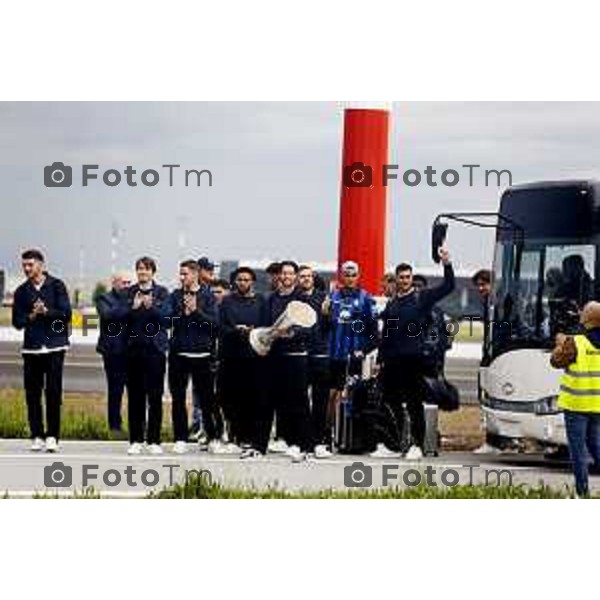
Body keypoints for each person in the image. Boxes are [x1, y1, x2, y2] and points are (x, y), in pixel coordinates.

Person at [378, 247, 455, 460]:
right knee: (388, 400)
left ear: (411, 278)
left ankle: (417, 445)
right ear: (395, 279)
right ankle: (396, 444)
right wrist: (379, 360)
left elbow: (449, 286)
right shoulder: (392, 303)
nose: (404, 280)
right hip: (392, 360)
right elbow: (386, 334)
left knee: (414, 403)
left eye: (407, 277)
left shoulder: (421, 298)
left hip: (413, 360)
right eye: (400, 277)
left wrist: (447, 263)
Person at [12, 249, 71, 452]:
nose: (27, 268)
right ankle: (37, 435)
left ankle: (53, 436)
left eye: (31, 264)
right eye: (24, 265)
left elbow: (66, 314)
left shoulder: (57, 286)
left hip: (55, 347)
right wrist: (32, 315)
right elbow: (17, 322)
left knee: (53, 392)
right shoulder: (21, 292)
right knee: (32, 394)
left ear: (41, 265)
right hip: (32, 349)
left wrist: (46, 312)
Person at [168, 260, 223, 454]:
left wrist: (196, 312)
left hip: (202, 355)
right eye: (180, 274)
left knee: (207, 400)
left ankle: (213, 437)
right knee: (178, 398)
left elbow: (214, 325)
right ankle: (180, 438)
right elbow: (166, 320)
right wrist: (182, 313)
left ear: (195, 274)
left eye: (185, 274)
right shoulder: (174, 296)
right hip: (178, 355)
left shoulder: (208, 296)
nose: (182, 277)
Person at [261, 260, 313, 462]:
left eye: (291, 273)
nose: (286, 277)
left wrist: (291, 333)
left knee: (298, 403)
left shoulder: (301, 299)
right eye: (283, 273)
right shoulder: (271, 299)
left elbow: (309, 327)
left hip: (295, 357)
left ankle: (302, 445)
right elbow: (265, 324)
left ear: (295, 277)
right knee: (267, 402)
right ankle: (259, 445)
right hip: (273, 356)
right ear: (279, 276)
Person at [550, 301, 600, 497]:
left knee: (578, 451)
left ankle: (582, 492)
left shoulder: (576, 342)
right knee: (596, 446)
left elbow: (555, 361)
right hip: (597, 405)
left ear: (586, 319)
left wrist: (561, 344)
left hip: (576, 406)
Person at [323, 261, 377, 434]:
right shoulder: (331, 297)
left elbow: (374, 334)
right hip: (333, 356)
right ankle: (327, 433)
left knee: (349, 396)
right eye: (347, 274)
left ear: (358, 276)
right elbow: (322, 328)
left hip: (354, 358)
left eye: (353, 275)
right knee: (330, 395)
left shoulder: (366, 299)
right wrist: (324, 315)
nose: (350, 278)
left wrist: (364, 350)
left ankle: (350, 435)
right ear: (341, 276)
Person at [219, 267, 268, 457]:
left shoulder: (260, 301)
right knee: (230, 399)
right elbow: (220, 326)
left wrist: (253, 330)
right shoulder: (226, 302)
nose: (243, 283)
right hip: (231, 356)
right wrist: (236, 330)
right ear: (234, 282)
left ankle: (250, 438)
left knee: (252, 399)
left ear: (252, 282)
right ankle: (235, 436)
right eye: (239, 279)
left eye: (247, 280)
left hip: (254, 356)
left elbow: (266, 325)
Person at [125, 257, 170, 455]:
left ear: (153, 272)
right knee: (135, 396)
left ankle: (154, 440)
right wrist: (132, 308)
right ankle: (135, 439)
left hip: (155, 351)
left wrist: (152, 307)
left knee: (155, 396)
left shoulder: (162, 293)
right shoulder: (128, 292)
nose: (142, 272)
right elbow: (118, 319)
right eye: (139, 269)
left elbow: (167, 320)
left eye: (146, 269)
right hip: (133, 350)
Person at [298, 265, 332, 458]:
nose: (305, 279)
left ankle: (318, 441)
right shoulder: (293, 298)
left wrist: (327, 314)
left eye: (308, 276)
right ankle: (301, 441)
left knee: (321, 401)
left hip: (320, 354)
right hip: (299, 354)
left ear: (313, 278)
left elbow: (330, 327)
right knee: (300, 400)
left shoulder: (322, 298)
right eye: (302, 276)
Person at [470, 268, 504, 455]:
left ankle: (495, 441)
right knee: (484, 396)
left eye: (484, 284)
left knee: (491, 397)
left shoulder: (497, 304)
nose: (481, 288)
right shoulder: (487, 303)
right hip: (489, 353)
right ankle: (495, 440)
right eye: (479, 286)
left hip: (496, 355)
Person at [95, 272, 131, 433]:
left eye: (130, 283)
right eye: (124, 283)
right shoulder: (104, 299)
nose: (128, 286)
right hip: (112, 351)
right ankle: (114, 426)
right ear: (114, 283)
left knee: (135, 390)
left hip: (131, 351)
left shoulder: (132, 299)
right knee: (115, 390)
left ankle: (136, 425)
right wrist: (128, 304)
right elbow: (108, 315)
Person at [413, 274, 453, 377]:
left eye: (419, 286)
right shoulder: (402, 307)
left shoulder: (437, 311)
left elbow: (447, 335)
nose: (416, 289)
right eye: (413, 286)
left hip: (431, 360)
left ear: (425, 288)